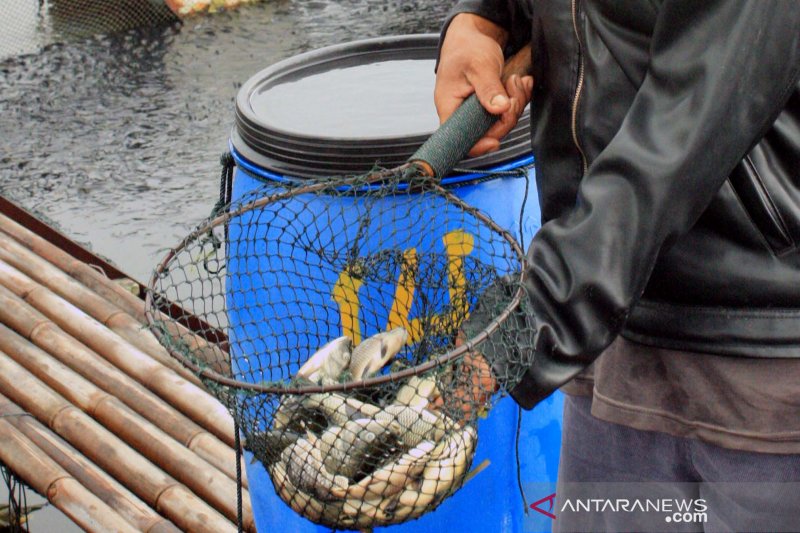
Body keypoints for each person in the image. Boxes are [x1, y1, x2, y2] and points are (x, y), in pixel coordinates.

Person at [434, 2, 800, 531]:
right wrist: (479, 21)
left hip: (764, 373)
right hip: (610, 350)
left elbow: (682, 131)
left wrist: (513, 333)